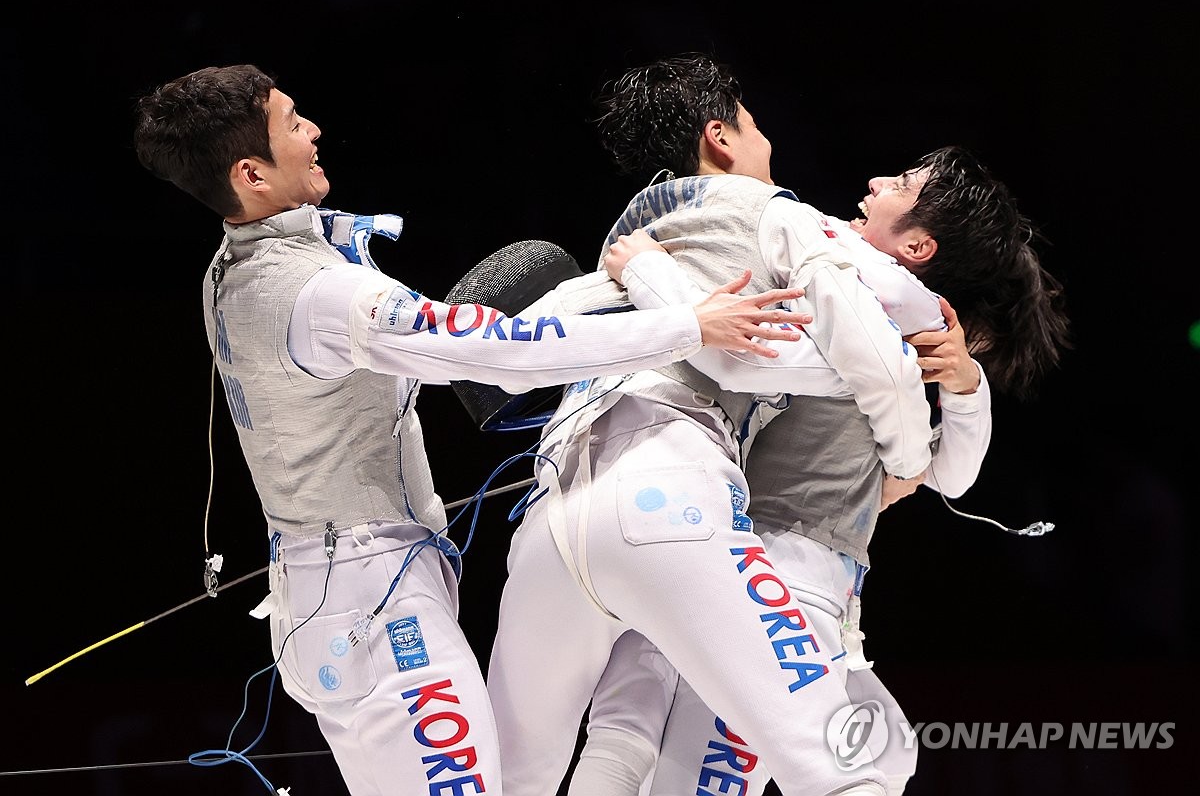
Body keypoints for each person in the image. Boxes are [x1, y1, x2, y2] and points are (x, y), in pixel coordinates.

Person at [130, 62, 811, 796]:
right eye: (291, 123)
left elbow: (478, 341)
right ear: (250, 174)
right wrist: (685, 324)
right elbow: (502, 356)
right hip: (373, 607)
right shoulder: (318, 292)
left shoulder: (231, 268)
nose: (313, 130)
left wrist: (611, 296)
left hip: (332, 596)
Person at [485, 54, 943, 796]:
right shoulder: (777, 213)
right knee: (835, 755)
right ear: (720, 136)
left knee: (513, 779)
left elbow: (504, 362)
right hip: (668, 494)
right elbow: (877, 363)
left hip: (546, 525)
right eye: (754, 124)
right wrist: (908, 460)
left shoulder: (626, 235)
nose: (766, 141)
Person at [577, 145, 1071, 795]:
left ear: (919, 246)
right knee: (640, 730)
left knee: (880, 755)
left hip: (784, 576)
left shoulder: (867, 311)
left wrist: (964, 382)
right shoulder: (836, 291)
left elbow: (951, 477)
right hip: (751, 560)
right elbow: (744, 354)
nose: (873, 180)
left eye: (898, 182)